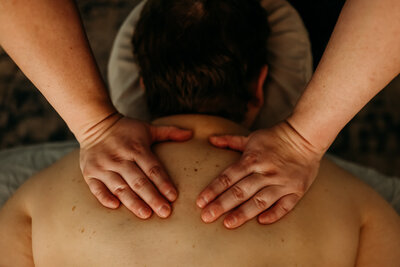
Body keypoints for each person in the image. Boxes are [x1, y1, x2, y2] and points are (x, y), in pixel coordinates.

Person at [0, 2, 399, 262]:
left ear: (140, 84)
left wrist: (96, 127)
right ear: (260, 86)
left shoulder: (34, 199)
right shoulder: (361, 205)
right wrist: (302, 140)